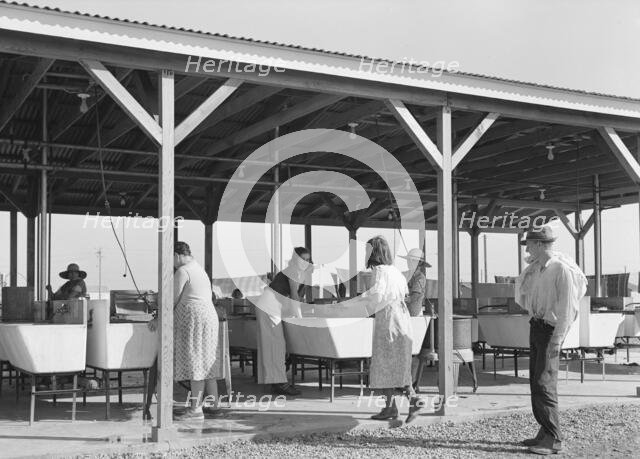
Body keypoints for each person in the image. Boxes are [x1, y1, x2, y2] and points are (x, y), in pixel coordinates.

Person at [515, 225, 586, 455]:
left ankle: (554, 438)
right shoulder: (538, 269)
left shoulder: (560, 270)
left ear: (538, 244)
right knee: (536, 381)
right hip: (537, 327)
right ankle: (544, 431)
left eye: (529, 243)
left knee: (544, 382)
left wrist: (557, 340)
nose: (526, 248)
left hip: (549, 331)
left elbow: (567, 310)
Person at [351, 236, 424, 424]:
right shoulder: (396, 272)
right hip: (402, 317)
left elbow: (378, 296)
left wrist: (360, 303)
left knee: (384, 363)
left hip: (388, 318)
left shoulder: (379, 271)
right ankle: (390, 407)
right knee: (395, 362)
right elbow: (402, 294)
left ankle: (412, 398)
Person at [150, 241, 223, 420]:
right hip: (208, 318)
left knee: (196, 363)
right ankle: (214, 406)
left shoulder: (183, 271)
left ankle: (196, 410)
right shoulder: (199, 268)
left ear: (176, 255)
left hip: (195, 320)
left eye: (172, 259)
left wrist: (158, 318)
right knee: (207, 364)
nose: (172, 264)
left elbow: (171, 299)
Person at [255, 247, 313, 396]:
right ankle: (280, 383)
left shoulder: (297, 272)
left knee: (274, 346)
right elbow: (294, 296)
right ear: (296, 259)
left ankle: (274, 382)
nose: (305, 262)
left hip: (271, 307)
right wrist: (300, 318)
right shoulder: (293, 271)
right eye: (303, 259)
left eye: (308, 259)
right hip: (270, 306)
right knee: (276, 346)